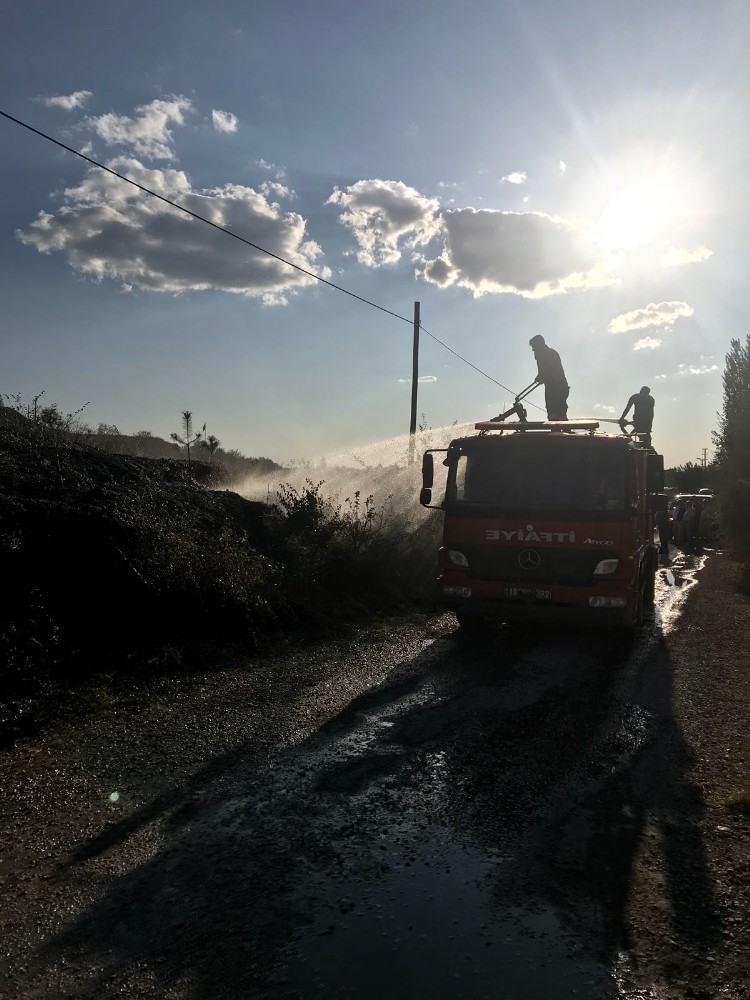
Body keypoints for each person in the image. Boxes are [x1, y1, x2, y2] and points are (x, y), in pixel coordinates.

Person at [529, 334, 569, 420]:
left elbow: (547, 370)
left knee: (558, 414)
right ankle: (558, 430)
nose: (533, 350)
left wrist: (540, 377)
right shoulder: (540, 357)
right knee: (553, 414)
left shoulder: (551, 354)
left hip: (559, 388)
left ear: (540, 345)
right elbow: (543, 373)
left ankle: (562, 430)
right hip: (551, 388)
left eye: (534, 347)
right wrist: (539, 377)